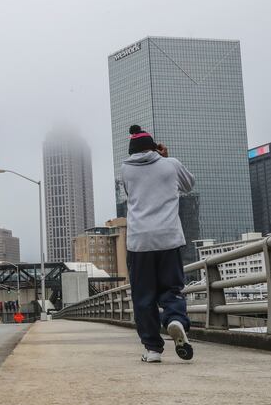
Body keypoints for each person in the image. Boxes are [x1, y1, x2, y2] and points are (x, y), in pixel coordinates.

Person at [121, 124, 195, 363]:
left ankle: (153, 349)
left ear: (132, 151)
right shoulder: (170, 165)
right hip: (168, 238)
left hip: (139, 242)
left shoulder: (125, 170)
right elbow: (188, 184)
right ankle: (174, 319)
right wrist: (165, 157)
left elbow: (130, 195)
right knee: (171, 289)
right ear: (154, 147)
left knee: (143, 297)